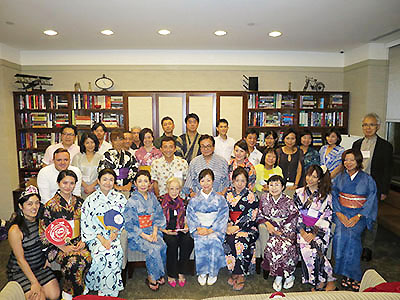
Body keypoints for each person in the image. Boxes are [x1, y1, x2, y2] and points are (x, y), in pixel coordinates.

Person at [39, 170, 92, 300]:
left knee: (87, 258)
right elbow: (44, 230)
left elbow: (87, 224)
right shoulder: (50, 205)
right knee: (74, 262)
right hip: (58, 245)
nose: (68, 186)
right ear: (58, 183)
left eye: (72, 183)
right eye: (65, 183)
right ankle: (74, 293)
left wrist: (83, 241)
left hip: (78, 242)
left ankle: (70, 289)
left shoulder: (80, 202)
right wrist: (62, 247)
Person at [332, 149, 377, 292]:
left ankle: (352, 275)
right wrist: (339, 213)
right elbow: (333, 195)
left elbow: (371, 199)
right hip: (341, 212)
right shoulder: (339, 178)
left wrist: (358, 216)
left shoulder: (367, 179)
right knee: (340, 235)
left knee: (352, 236)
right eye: (345, 160)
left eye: (352, 160)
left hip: (359, 214)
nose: (348, 163)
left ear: (358, 161)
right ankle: (345, 273)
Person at [352, 113, 393, 262]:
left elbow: (388, 170)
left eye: (371, 125)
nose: (367, 128)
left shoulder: (385, 146)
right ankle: (356, 245)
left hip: (374, 187)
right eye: (365, 125)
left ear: (378, 127)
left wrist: (384, 190)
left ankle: (367, 248)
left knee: (371, 218)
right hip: (356, 186)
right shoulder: (356, 144)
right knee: (355, 215)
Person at [7, 186, 60, 300]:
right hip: (21, 270)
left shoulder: (41, 221)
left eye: (37, 203)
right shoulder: (15, 230)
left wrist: (47, 258)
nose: (34, 207)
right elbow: (20, 260)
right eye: (29, 204)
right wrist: (34, 282)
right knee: (39, 297)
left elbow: (49, 241)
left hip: (40, 266)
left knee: (54, 295)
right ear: (21, 206)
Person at [81, 168, 127, 297]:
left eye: (111, 179)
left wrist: (115, 231)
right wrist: (102, 239)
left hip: (114, 235)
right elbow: (87, 222)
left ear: (114, 182)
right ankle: (106, 288)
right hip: (96, 237)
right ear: (98, 181)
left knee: (114, 250)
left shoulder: (120, 198)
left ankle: (104, 288)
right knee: (104, 252)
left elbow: (125, 218)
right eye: (104, 179)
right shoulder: (90, 200)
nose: (108, 182)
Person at [293, 165, 336, 291]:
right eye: (308, 175)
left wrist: (314, 233)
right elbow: (295, 214)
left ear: (319, 179)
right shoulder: (299, 193)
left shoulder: (326, 196)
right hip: (301, 229)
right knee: (305, 249)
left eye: (314, 176)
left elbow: (327, 216)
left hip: (319, 230)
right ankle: (324, 279)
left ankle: (321, 280)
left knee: (316, 248)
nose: (310, 179)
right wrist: (302, 231)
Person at [123, 170, 167, 291]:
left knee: (162, 245)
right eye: (140, 181)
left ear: (150, 184)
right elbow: (129, 224)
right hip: (138, 234)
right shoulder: (132, 201)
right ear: (135, 184)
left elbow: (158, 215)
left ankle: (158, 273)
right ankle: (152, 276)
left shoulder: (153, 198)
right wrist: (145, 236)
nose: (143, 184)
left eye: (145, 181)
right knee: (153, 248)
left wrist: (154, 232)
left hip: (153, 231)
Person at [187, 169, 229, 286]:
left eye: (208, 180)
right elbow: (190, 215)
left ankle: (213, 272)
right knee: (200, 241)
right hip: (199, 228)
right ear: (199, 183)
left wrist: (211, 229)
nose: (206, 183)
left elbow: (223, 216)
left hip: (215, 228)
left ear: (213, 181)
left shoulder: (220, 199)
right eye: (203, 180)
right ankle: (202, 272)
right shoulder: (194, 200)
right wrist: (198, 228)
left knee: (213, 240)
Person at [257, 175, 299, 292]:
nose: (274, 188)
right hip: (270, 230)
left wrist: (281, 231)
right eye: (271, 185)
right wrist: (268, 224)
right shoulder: (264, 198)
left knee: (285, 246)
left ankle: (287, 275)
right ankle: (279, 276)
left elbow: (294, 217)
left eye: (277, 185)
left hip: (286, 231)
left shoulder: (288, 201)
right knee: (273, 244)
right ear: (267, 186)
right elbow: (260, 215)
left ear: (283, 187)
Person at [224, 167, 259, 291]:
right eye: (237, 180)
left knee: (240, 241)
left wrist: (237, 226)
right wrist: (228, 225)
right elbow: (223, 212)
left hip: (248, 227)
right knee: (228, 239)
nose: (240, 184)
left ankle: (241, 274)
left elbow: (252, 215)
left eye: (243, 181)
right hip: (230, 226)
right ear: (232, 181)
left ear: (247, 182)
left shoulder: (251, 196)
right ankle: (234, 270)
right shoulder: (227, 194)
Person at [160, 177, 194, 288]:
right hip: (166, 230)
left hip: (180, 229)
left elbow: (187, 218)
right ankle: (171, 273)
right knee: (172, 242)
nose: (174, 191)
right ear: (167, 189)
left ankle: (181, 271)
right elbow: (155, 219)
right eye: (171, 188)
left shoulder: (183, 202)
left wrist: (186, 226)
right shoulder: (160, 200)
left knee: (188, 240)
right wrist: (165, 231)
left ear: (180, 190)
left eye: (177, 189)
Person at [98, 130, 138, 197]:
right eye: (115, 140)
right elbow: (102, 172)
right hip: (110, 186)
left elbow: (134, 169)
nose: (118, 142)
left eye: (121, 139)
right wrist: (114, 186)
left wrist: (130, 184)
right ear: (111, 141)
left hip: (127, 187)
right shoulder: (106, 156)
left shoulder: (129, 155)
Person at [71, 132, 102, 198]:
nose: (90, 145)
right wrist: (85, 186)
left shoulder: (101, 157)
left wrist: (92, 186)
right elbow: (74, 174)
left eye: (92, 142)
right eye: (87, 143)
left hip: (96, 188)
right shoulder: (77, 157)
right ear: (83, 144)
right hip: (80, 188)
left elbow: (102, 174)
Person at [277, 128, 304, 195]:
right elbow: (276, 169)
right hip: (280, 185)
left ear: (296, 140)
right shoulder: (278, 151)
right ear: (284, 139)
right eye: (287, 138)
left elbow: (299, 170)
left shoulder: (299, 152)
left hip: (295, 185)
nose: (290, 141)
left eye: (292, 138)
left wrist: (296, 184)